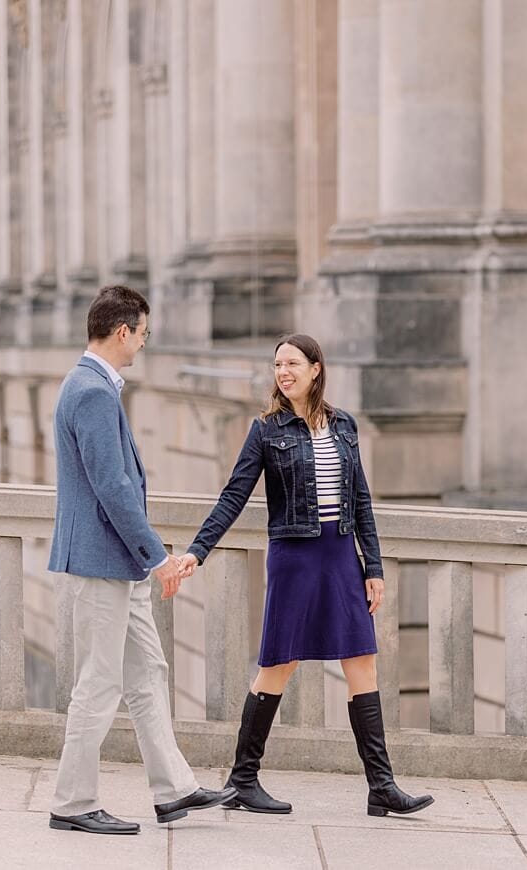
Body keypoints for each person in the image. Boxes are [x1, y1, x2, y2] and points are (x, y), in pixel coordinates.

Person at [178, 334, 433, 818]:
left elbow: (360, 501)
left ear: (316, 368)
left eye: (292, 362)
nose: (283, 371)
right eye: (277, 364)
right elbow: (234, 496)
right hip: (294, 559)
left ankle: (382, 786)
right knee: (279, 664)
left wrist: (372, 568)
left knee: (362, 663)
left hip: (341, 558)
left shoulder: (344, 427)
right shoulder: (266, 430)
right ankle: (243, 780)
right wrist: (198, 550)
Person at [47, 285, 235, 836]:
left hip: (114, 563)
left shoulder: (92, 385)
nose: (144, 344)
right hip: (104, 562)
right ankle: (72, 802)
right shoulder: (92, 392)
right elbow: (112, 486)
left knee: (148, 673)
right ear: (123, 330)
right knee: (100, 683)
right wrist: (159, 557)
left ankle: (173, 790)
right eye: (144, 334)